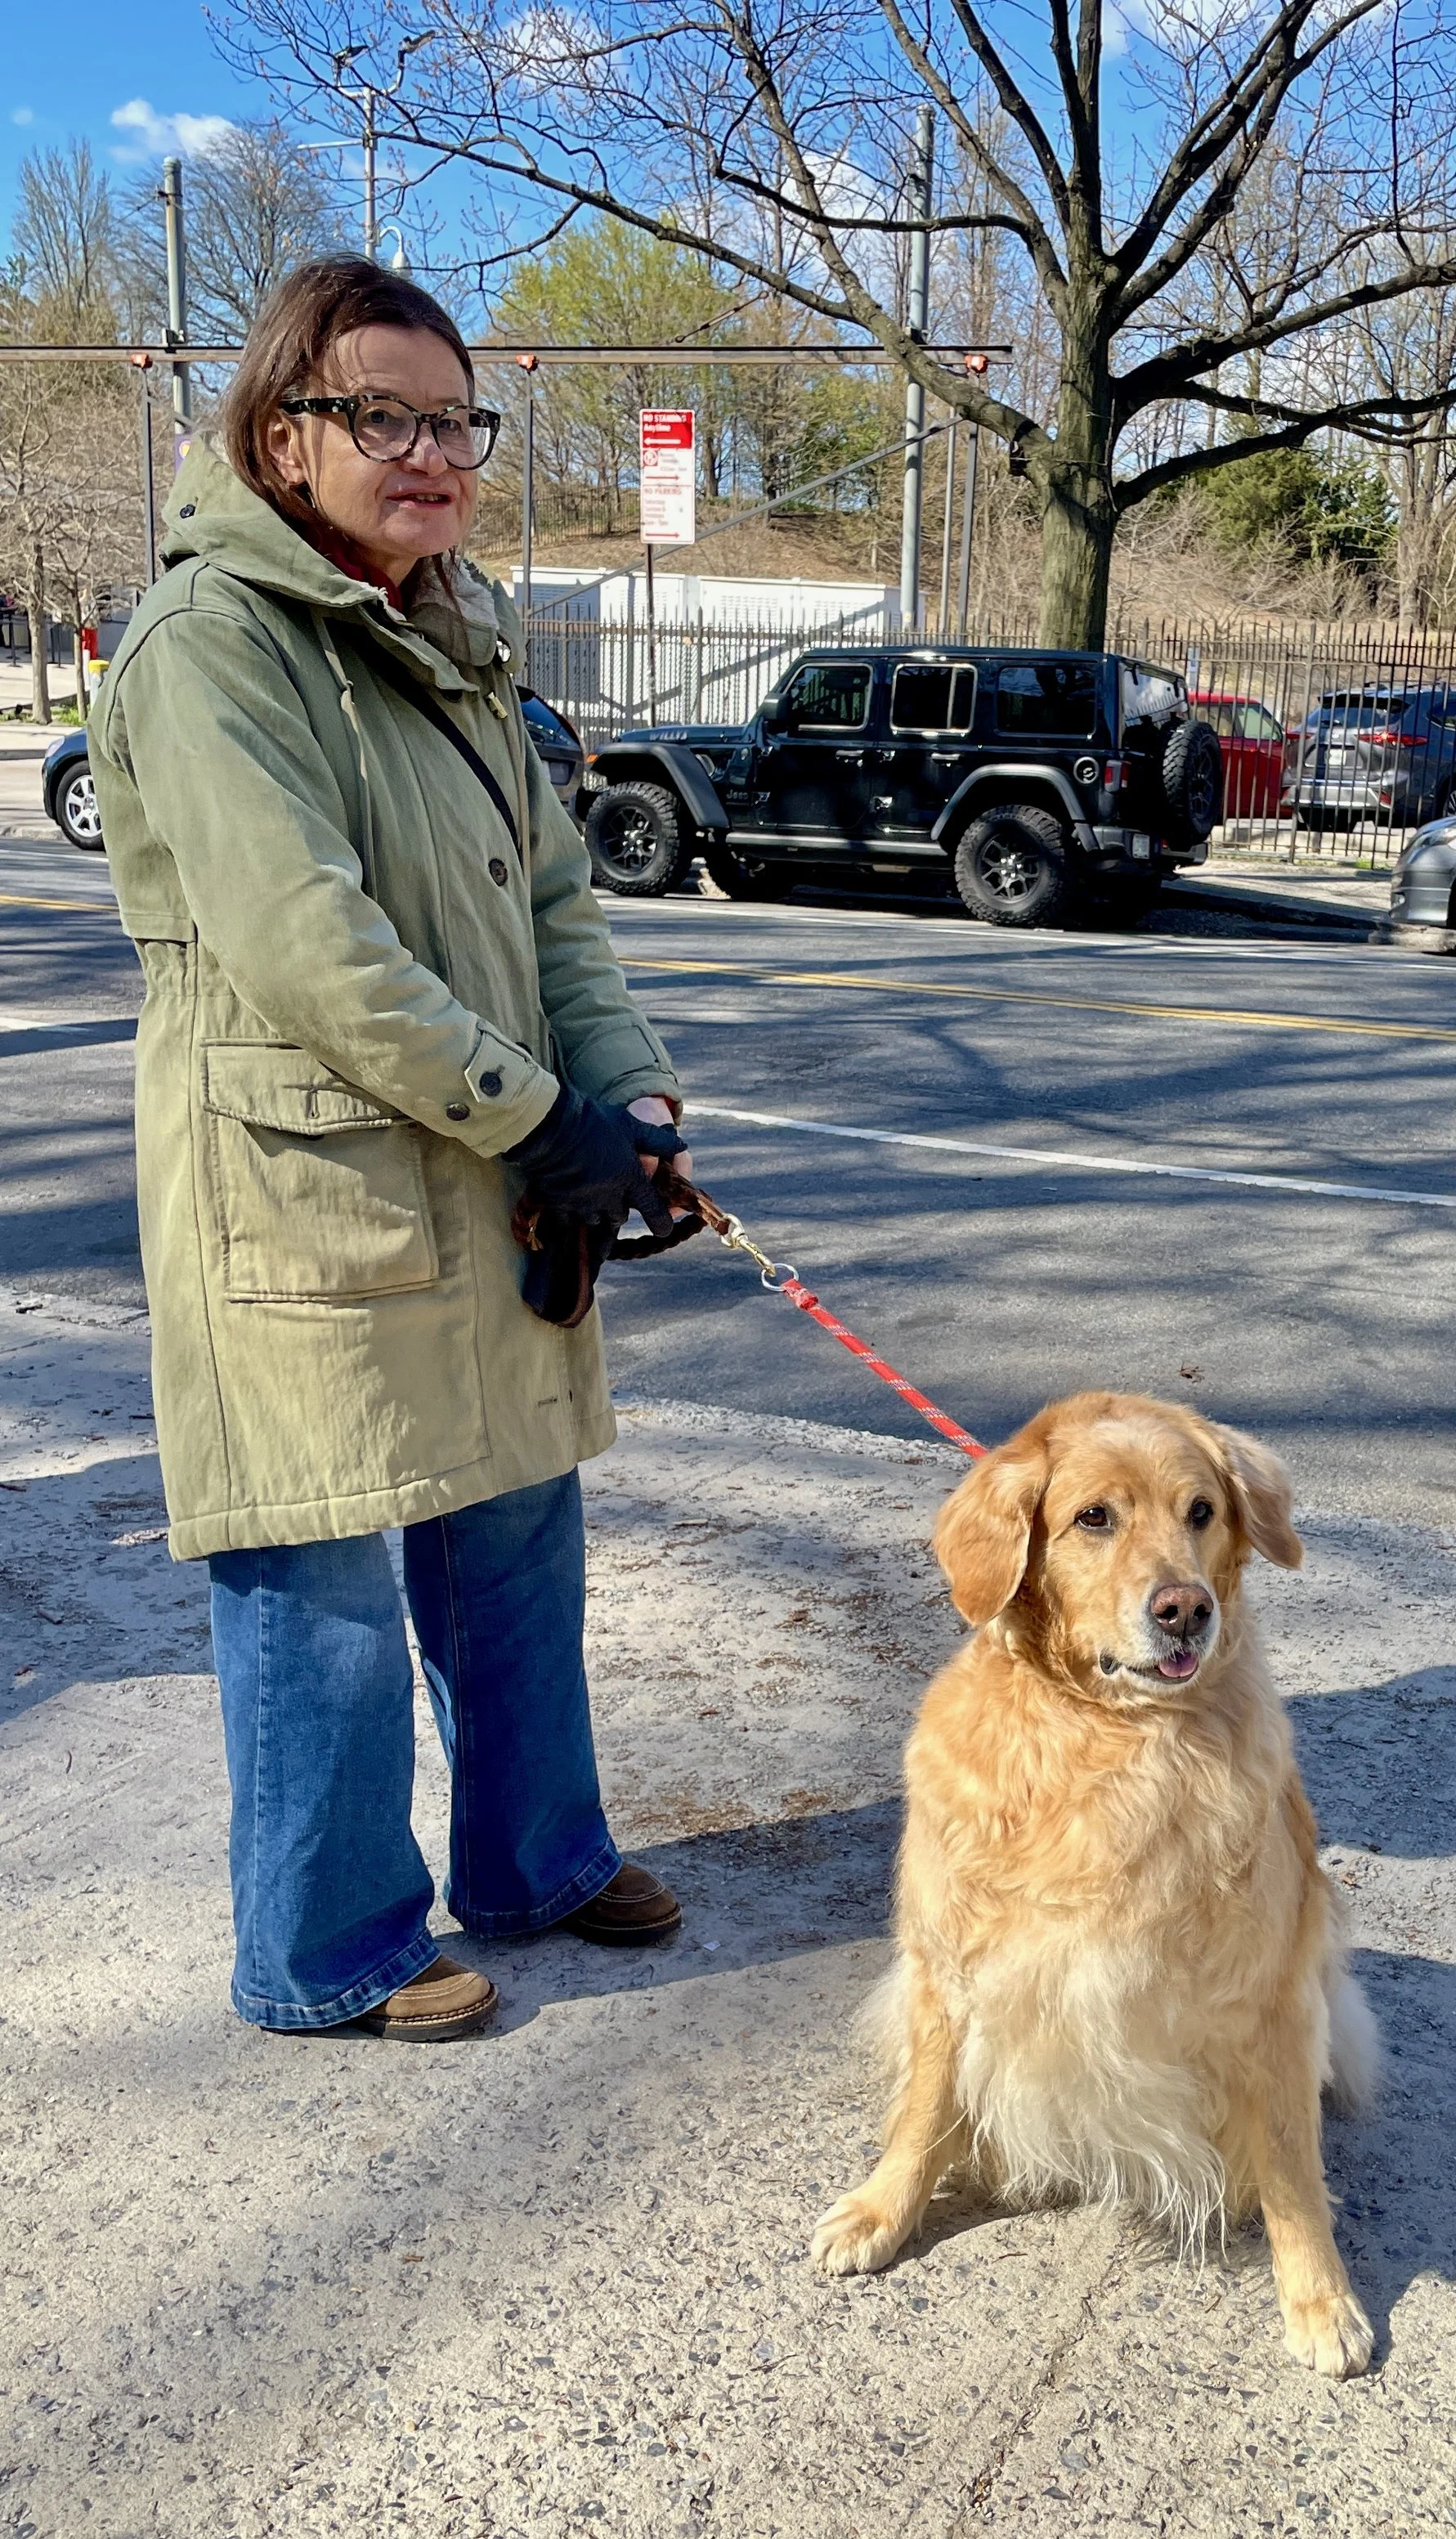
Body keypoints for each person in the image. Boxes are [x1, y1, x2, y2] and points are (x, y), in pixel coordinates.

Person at [90, 256, 694, 2042]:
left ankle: (537, 1857)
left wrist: (627, 1102)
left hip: (484, 1162)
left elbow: (557, 907)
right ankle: (327, 1945)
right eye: (384, 417)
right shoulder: (211, 640)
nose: (430, 454)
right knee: (321, 1572)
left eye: (455, 422)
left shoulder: (452, 634)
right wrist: (540, 1117)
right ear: (284, 435)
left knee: (517, 1526)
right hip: (302, 1188)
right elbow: (310, 948)